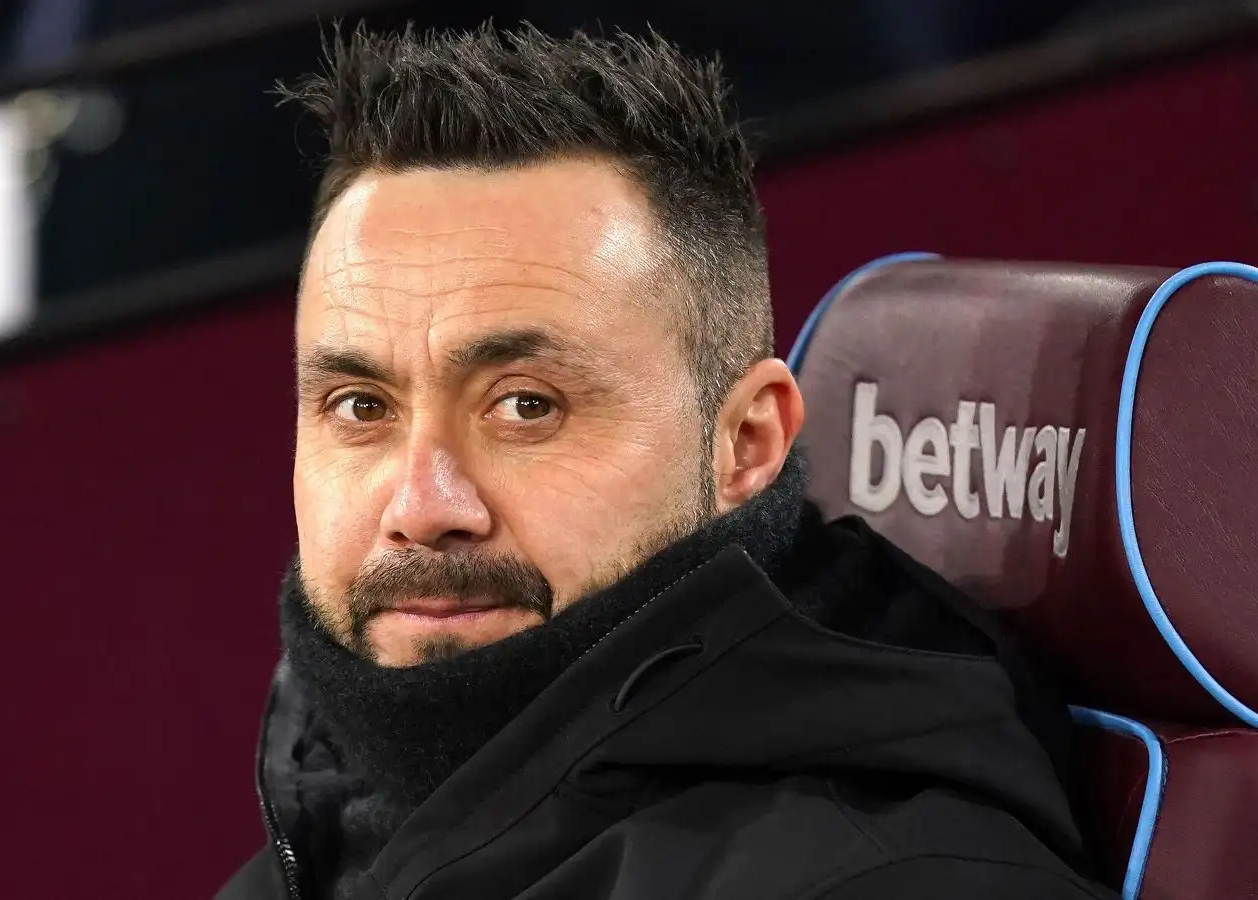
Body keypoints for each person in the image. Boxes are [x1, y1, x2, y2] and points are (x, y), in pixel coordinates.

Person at [219, 23, 1115, 900]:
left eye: (528, 406)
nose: (423, 504)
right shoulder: (334, 823)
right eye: (361, 407)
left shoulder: (894, 877)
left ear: (747, 445)